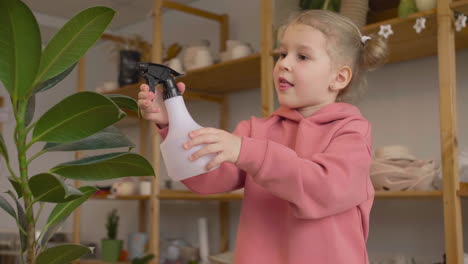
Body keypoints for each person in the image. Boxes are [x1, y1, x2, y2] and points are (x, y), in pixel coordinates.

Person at [138, 9, 388, 264]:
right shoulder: (255, 131)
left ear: (339, 77)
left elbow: (326, 189)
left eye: (302, 56)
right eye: (282, 54)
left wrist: (248, 152)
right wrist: (171, 121)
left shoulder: (351, 130)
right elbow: (206, 177)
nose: (284, 63)